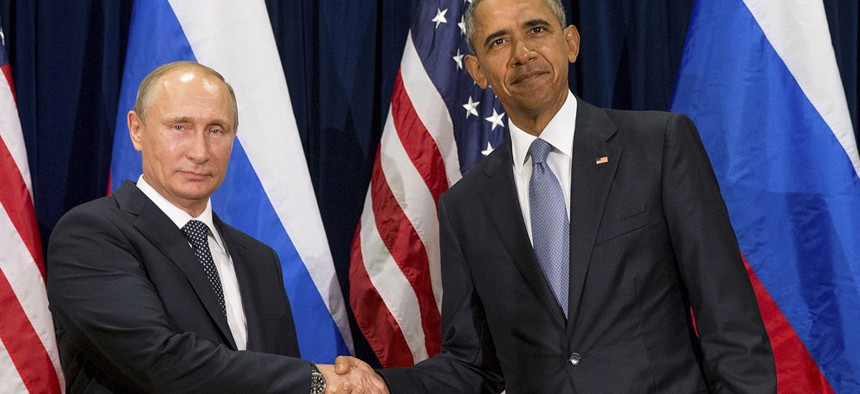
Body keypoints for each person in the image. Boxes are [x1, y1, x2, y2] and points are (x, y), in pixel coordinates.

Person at [365, 0, 778, 392]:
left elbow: (731, 326)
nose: (522, 53)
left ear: (571, 42)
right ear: (477, 71)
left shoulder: (659, 147)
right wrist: (382, 385)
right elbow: (473, 366)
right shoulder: (464, 207)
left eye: (537, 29)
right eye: (498, 41)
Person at [47, 61, 386, 393]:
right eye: (180, 126)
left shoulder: (259, 259)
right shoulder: (90, 234)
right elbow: (161, 363)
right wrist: (316, 379)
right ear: (137, 130)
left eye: (216, 130)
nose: (199, 152)